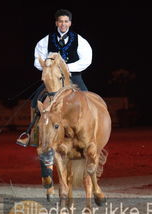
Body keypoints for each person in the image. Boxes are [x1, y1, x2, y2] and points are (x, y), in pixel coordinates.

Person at [16, 9, 92, 147]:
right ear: (56, 23)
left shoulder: (79, 40)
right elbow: (37, 60)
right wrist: (50, 69)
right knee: (35, 102)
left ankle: (91, 134)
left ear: (70, 23)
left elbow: (87, 60)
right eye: (61, 21)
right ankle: (32, 135)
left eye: (66, 21)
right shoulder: (46, 40)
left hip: (73, 77)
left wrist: (67, 68)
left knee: (88, 99)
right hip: (53, 79)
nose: (63, 24)